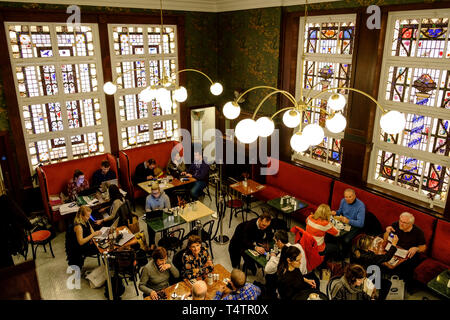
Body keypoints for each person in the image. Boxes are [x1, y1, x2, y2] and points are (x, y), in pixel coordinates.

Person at [383, 212, 426, 285]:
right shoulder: (395, 225)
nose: (401, 224)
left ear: (410, 224)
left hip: (407, 253)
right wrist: (387, 232)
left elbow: (423, 247)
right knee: (382, 257)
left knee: (406, 265)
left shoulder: (418, 232)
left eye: (404, 223)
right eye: (400, 221)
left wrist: (416, 248)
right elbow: (385, 239)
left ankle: (399, 283)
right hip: (395, 249)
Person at [351, 234, 398, 300]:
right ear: (369, 246)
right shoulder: (370, 257)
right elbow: (386, 257)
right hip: (366, 278)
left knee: (380, 268)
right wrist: (393, 244)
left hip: (356, 273)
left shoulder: (355, 250)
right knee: (387, 283)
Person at [330, 188, 366, 254]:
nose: (348, 199)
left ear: (355, 196)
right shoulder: (343, 201)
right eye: (346, 197)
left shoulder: (361, 206)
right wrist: (335, 212)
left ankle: (346, 256)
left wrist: (348, 221)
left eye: (350, 197)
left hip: (355, 225)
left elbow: (361, 224)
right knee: (332, 231)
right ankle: (336, 251)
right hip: (344, 222)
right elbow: (340, 211)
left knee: (346, 240)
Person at [145, 182, 171, 248]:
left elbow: (168, 208)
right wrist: (151, 211)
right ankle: (152, 243)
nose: (155, 195)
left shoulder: (165, 197)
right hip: (153, 216)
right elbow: (147, 209)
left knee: (166, 223)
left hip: (163, 216)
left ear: (159, 191)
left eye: (156, 193)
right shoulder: (148, 198)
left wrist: (162, 210)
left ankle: (165, 240)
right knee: (149, 226)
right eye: (153, 193)